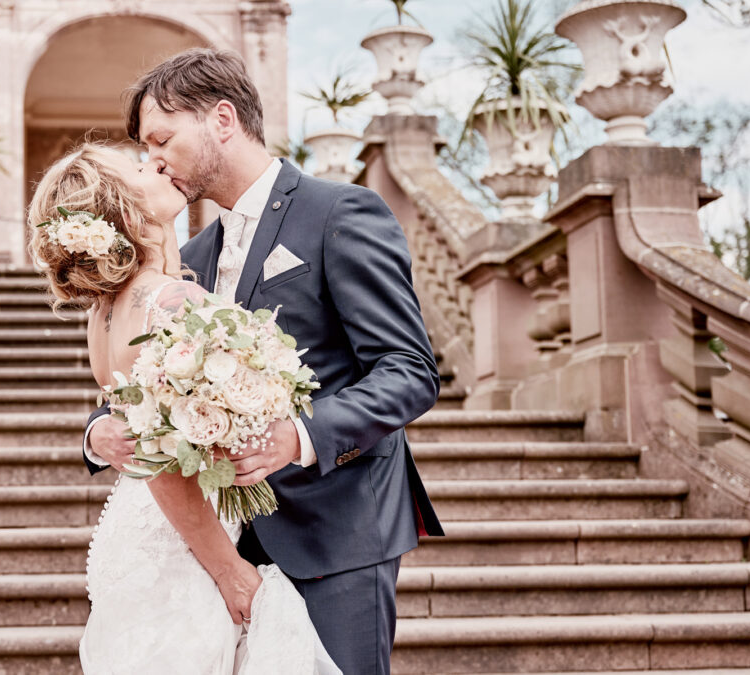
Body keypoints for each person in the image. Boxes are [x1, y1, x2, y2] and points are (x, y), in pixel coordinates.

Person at [84, 48, 444, 675]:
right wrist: (98, 431)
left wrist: (298, 436)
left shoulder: (340, 213)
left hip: (338, 532)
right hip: (222, 547)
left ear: (222, 119)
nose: (154, 160)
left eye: (162, 138)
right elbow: (146, 378)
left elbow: (408, 369)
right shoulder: (191, 251)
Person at [28, 144, 338, 674]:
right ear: (126, 213)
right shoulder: (171, 303)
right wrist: (228, 571)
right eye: (140, 168)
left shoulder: (103, 313)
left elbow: (142, 432)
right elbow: (160, 462)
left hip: (137, 538)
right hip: (183, 544)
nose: (158, 163)